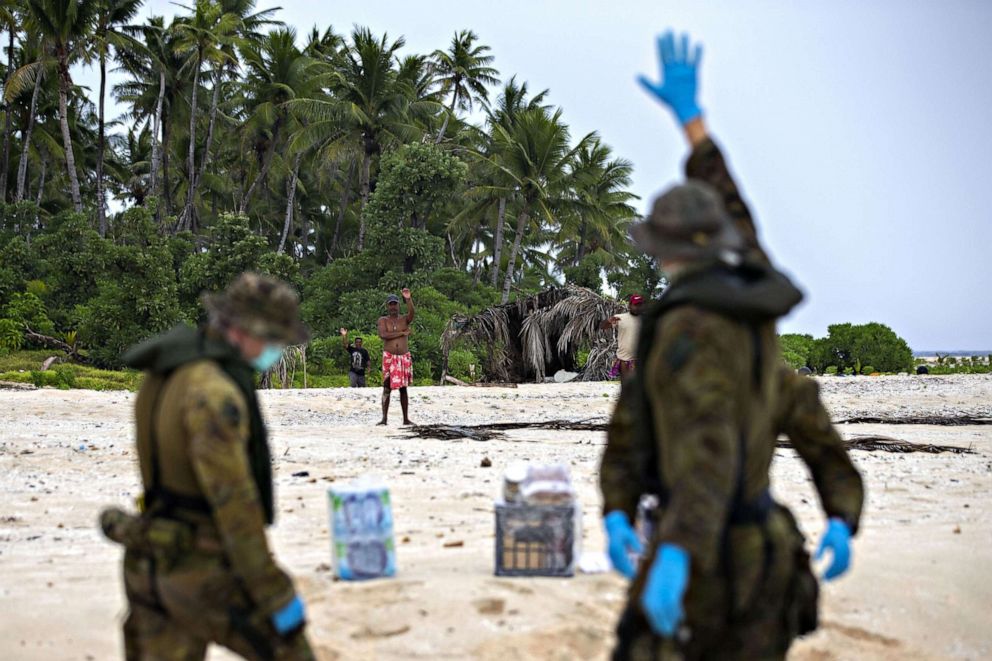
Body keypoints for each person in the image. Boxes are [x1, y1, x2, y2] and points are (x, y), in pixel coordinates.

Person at [599, 31, 864, 660]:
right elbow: (808, 416)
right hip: (767, 548)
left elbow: (706, 445)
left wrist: (676, 551)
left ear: (663, 252)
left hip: (709, 555)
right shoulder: (753, 302)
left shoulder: (692, 330)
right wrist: (842, 506)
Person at [99, 273, 315, 660]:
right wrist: (272, 591)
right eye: (274, 339)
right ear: (247, 331)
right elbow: (236, 508)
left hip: (147, 560)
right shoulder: (214, 394)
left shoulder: (162, 375)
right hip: (199, 568)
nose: (276, 349)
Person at [377, 288, 415, 425]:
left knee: (403, 388)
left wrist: (408, 299)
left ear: (399, 305)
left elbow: (412, 314)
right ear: (387, 306)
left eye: (395, 304)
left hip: (403, 357)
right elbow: (383, 335)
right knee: (387, 387)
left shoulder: (404, 319)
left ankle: (405, 419)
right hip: (389, 356)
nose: (393, 307)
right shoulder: (383, 320)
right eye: (391, 304)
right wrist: (401, 333)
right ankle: (384, 418)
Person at [602, 294, 645, 380]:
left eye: (640, 305)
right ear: (630, 305)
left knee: (640, 386)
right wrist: (608, 321)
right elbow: (603, 327)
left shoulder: (646, 319)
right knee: (626, 384)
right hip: (624, 360)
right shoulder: (620, 318)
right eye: (635, 305)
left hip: (641, 359)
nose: (637, 307)